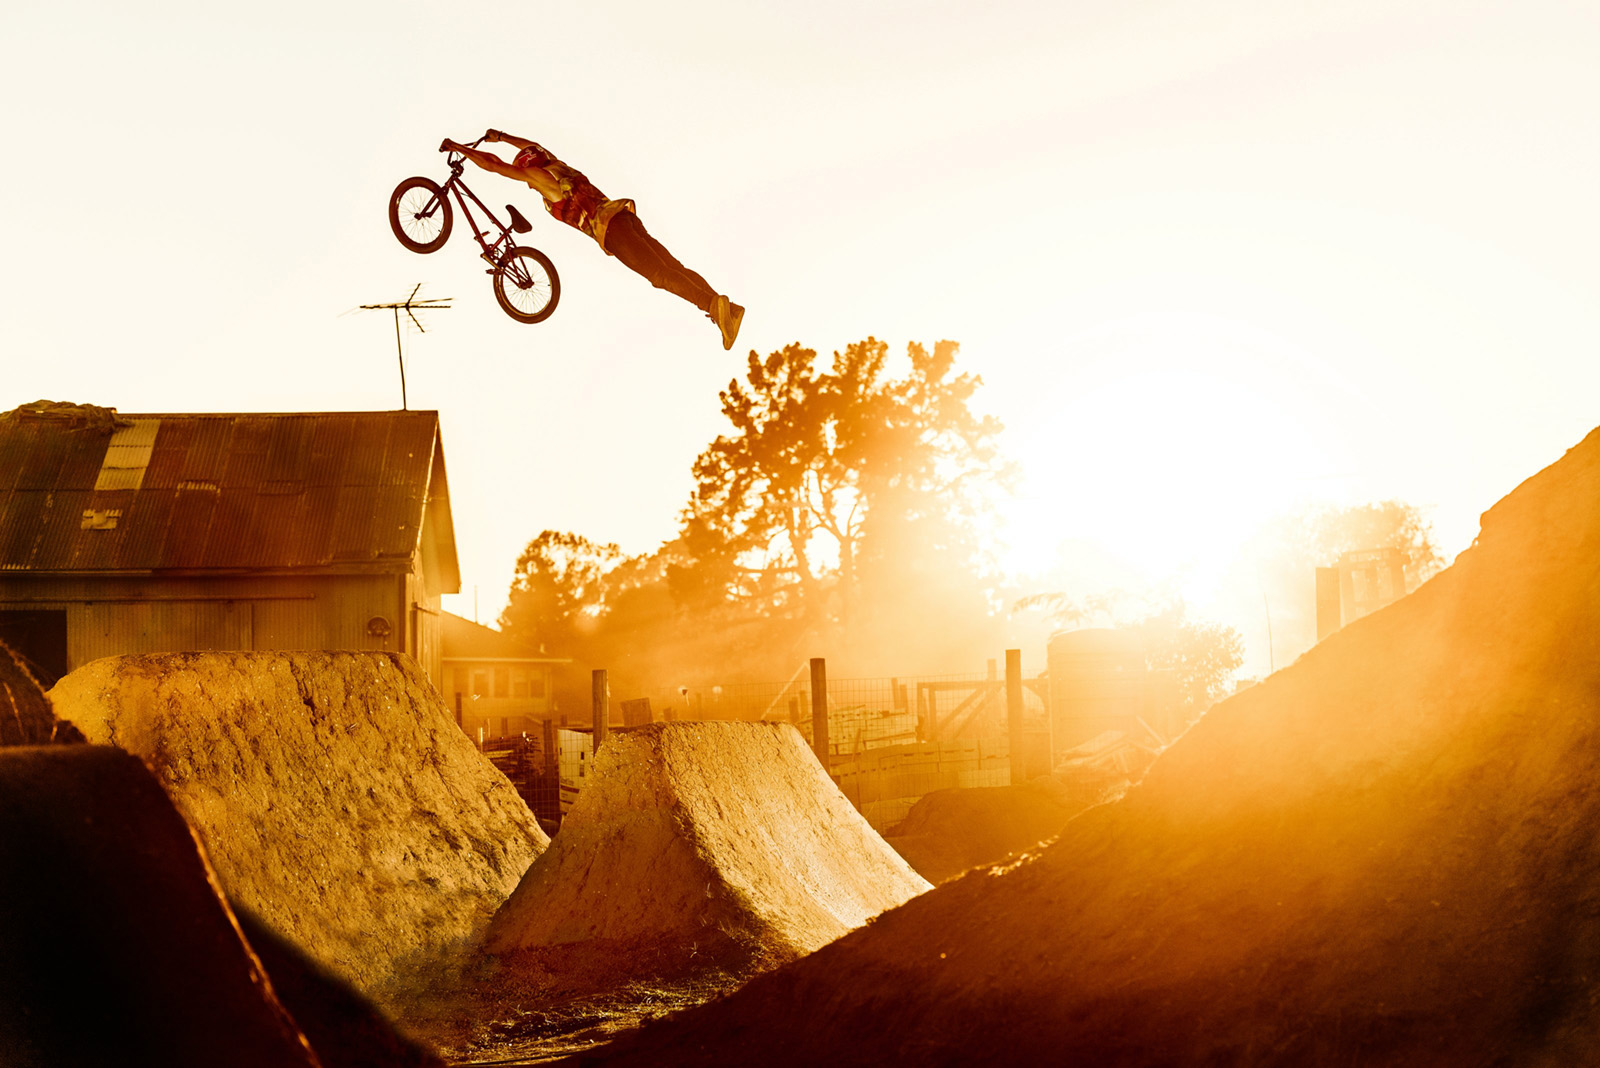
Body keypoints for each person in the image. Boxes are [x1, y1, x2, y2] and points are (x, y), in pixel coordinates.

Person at [440, 130, 745, 350]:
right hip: (625, 216)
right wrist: (504, 137)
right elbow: (534, 145)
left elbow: (494, 165)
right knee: (672, 266)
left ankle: (710, 303)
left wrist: (459, 147)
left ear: (527, 170)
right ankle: (726, 310)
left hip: (611, 231)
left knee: (659, 275)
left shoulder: (540, 178)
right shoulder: (558, 166)